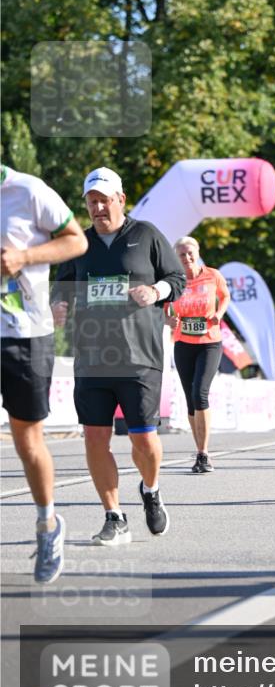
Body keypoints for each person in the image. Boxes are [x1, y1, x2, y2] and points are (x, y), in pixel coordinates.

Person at [51, 167, 185, 546]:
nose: (97, 208)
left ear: (121, 199)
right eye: (91, 201)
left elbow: (177, 279)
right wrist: (59, 305)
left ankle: (151, 488)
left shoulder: (145, 235)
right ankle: (114, 516)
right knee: (95, 439)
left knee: (144, 441)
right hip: (92, 357)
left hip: (139, 357)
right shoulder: (78, 243)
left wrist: (156, 291)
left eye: (103, 200)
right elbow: (61, 286)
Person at [1, 165, 87, 582]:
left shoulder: (27, 190)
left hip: (25, 334)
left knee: (26, 438)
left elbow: (76, 241)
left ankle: (47, 523)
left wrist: (23, 257)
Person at [166, 236, 230, 473]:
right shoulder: (174, 280)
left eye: (190, 253)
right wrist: (169, 319)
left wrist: (219, 314)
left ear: (198, 252)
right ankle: (199, 451)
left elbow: (225, 297)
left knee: (200, 392)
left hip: (209, 342)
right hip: (183, 344)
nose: (187, 257)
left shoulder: (213, 275)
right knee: (190, 398)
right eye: (181, 254)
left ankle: (204, 454)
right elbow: (164, 310)